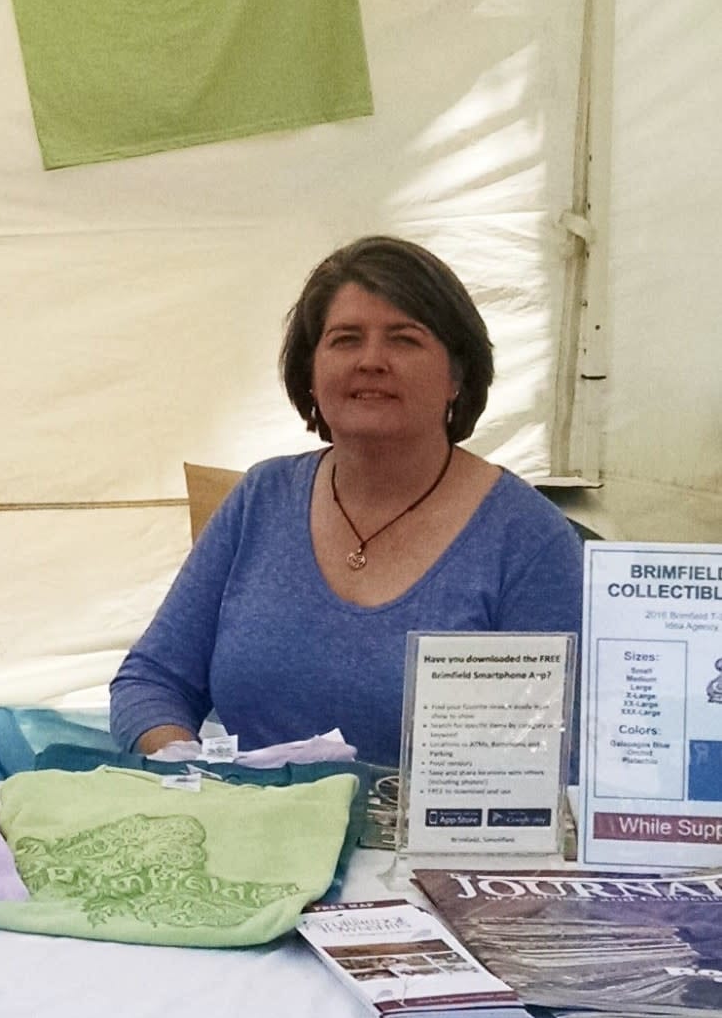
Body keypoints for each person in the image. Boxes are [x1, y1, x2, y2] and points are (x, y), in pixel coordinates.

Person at [110, 235, 586, 766]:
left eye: (404, 339)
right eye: (345, 339)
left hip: (435, 849)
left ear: (457, 374)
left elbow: (558, 754)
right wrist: (187, 766)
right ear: (310, 374)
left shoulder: (528, 539)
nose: (372, 361)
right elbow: (151, 680)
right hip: (246, 831)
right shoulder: (260, 500)